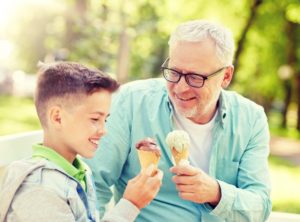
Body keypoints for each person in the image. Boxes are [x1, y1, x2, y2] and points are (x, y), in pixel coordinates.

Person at [84, 20, 272, 222]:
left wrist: (216, 193)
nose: (181, 88)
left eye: (195, 77)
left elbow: (260, 205)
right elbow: (93, 185)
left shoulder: (251, 119)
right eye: (174, 72)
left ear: (226, 76)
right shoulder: (130, 102)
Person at [0, 62, 163, 222]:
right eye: (94, 119)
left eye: (105, 120)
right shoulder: (38, 191)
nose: (103, 130)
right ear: (57, 118)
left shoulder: (80, 170)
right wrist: (131, 204)